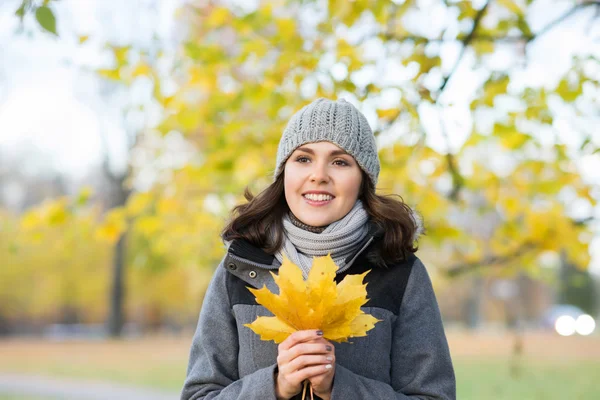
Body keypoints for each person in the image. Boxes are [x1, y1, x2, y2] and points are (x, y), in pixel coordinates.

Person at [180, 98, 456, 400]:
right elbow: (198, 395)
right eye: (303, 159)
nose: (319, 175)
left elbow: (433, 396)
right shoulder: (240, 266)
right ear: (284, 172)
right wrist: (274, 386)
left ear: (363, 179)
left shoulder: (400, 271)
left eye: (340, 162)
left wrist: (340, 388)